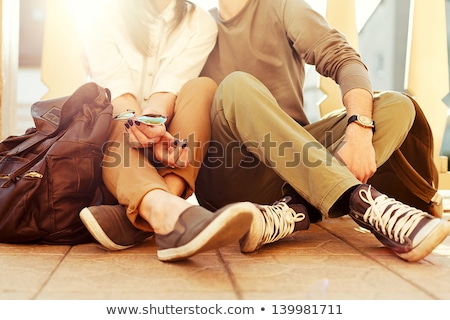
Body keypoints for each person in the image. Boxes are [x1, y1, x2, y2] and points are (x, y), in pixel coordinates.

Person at [192, 0, 450, 262]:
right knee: (236, 85)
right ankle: (359, 200)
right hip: (228, 171)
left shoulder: (282, 7)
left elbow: (344, 59)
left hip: (294, 166)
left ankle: (294, 209)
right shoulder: (195, 25)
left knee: (397, 106)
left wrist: (359, 132)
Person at [78, 0, 260, 262]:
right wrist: (136, 126)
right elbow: (119, 92)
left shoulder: (200, 23)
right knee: (116, 117)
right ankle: (170, 213)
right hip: (117, 151)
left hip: (167, 143)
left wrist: (152, 124)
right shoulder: (104, 15)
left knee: (202, 87)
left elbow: (169, 89)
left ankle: (158, 207)